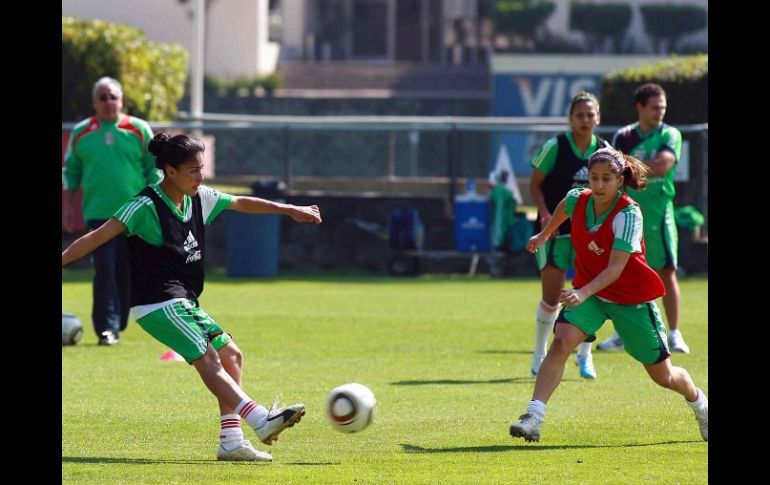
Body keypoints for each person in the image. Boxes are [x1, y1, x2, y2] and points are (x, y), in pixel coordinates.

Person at [62, 133, 323, 461]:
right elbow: (95, 237)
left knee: (231, 356)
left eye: (202, 169)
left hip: (183, 299)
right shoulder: (145, 205)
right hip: (155, 302)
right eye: (193, 171)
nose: (200, 177)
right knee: (209, 359)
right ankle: (260, 419)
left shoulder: (200, 197)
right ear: (170, 171)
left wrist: (290, 210)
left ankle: (231, 441)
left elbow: (241, 202)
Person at [509, 146, 707, 443]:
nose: (599, 185)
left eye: (607, 179)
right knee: (561, 342)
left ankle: (701, 404)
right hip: (593, 296)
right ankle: (533, 417)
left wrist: (581, 292)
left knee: (663, 376)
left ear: (620, 180)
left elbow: (615, 269)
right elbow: (565, 205)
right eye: (594, 178)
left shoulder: (628, 214)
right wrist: (544, 234)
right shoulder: (579, 199)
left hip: (630, 299)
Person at [63, 77, 162, 345]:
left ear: (122, 100)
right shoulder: (83, 132)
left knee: (126, 270)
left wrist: (156, 200)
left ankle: (118, 321)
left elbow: (153, 167)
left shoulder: (138, 129)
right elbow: (71, 172)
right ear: (94, 102)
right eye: (103, 97)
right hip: (99, 214)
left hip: (135, 215)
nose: (109, 102)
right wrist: (68, 206)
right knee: (104, 268)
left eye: (113, 97)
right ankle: (107, 329)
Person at [597, 83, 690, 353]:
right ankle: (621, 332)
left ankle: (674, 333)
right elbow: (612, 169)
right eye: (655, 107)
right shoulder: (624, 136)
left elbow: (662, 166)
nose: (660, 111)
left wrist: (628, 166)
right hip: (629, 213)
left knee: (667, 271)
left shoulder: (669, 134)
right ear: (640, 107)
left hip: (660, 213)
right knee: (623, 271)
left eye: (663, 106)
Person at [527, 92, 606, 380]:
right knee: (551, 297)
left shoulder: (604, 152)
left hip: (590, 235)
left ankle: (585, 357)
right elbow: (535, 184)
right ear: (570, 119)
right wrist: (546, 214)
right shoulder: (555, 146)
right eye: (579, 115)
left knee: (588, 294)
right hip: (555, 232)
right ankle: (539, 354)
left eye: (590, 115)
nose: (585, 120)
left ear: (599, 118)